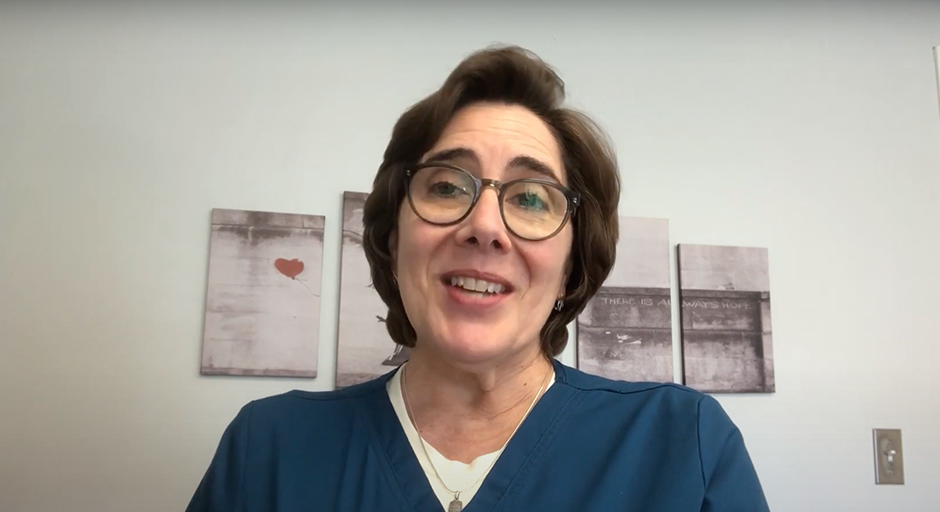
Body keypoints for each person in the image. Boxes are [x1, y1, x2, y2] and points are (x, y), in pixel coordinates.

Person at [186, 45, 770, 512]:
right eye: (446, 186)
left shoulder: (683, 444)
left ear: (570, 265)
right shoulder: (269, 448)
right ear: (393, 240)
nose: (485, 225)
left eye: (532, 199)